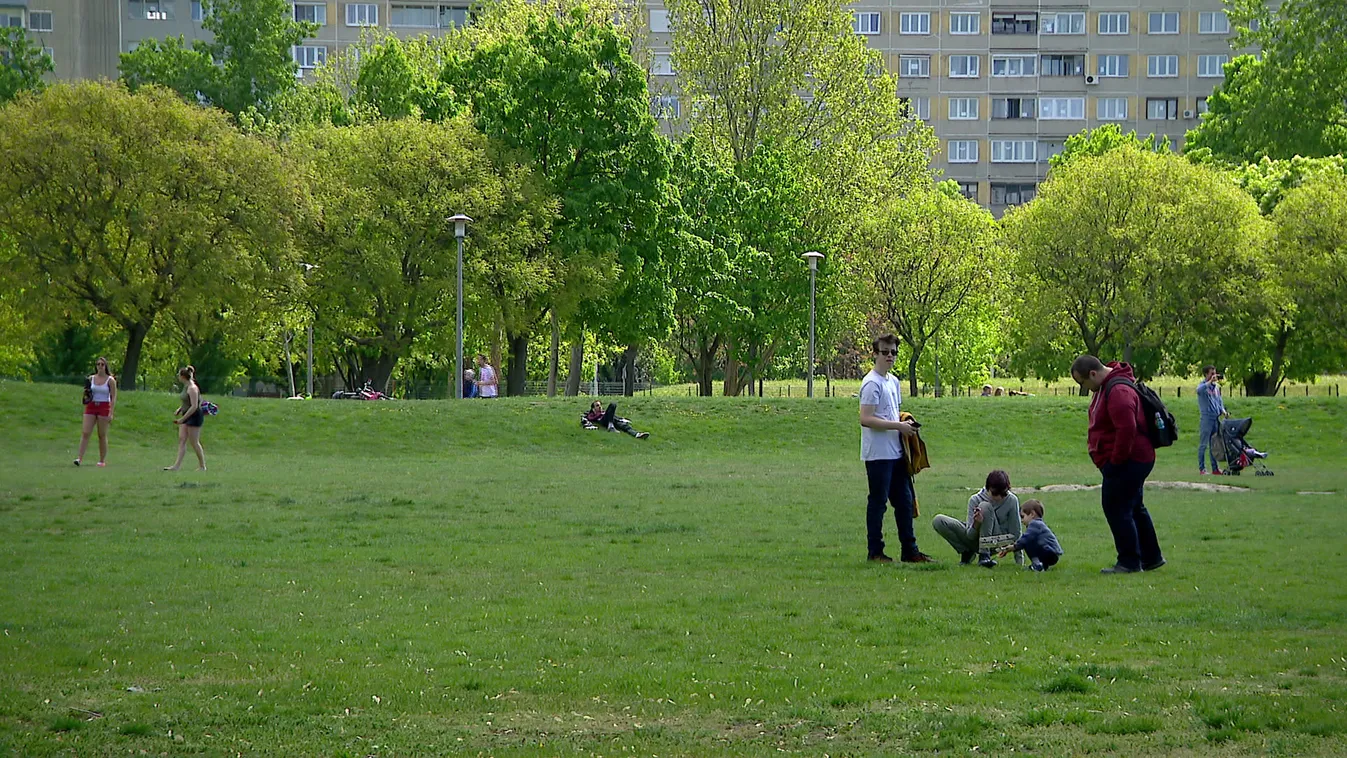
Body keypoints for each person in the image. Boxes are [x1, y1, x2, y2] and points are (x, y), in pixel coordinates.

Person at [1070, 355, 1165, 574]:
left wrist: (1115, 462)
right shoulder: (1108, 386)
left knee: (1116, 507)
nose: (1084, 388)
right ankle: (1152, 557)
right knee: (1134, 507)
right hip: (1134, 459)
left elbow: (1127, 430)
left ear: (1093, 374)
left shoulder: (1118, 391)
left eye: (1083, 383)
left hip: (1130, 460)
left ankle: (1129, 562)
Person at [859, 333, 935, 564]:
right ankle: (875, 552)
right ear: (875, 354)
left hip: (896, 452)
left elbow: (891, 413)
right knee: (878, 503)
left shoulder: (893, 381)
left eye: (893, 352)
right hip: (878, 454)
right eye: (885, 352)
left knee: (905, 502)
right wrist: (898, 426)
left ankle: (910, 551)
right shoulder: (871, 383)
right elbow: (865, 418)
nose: (890, 356)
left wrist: (905, 422)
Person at [931, 470, 1022, 567]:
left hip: (996, 542)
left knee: (985, 507)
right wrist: (976, 524)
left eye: (1003, 494)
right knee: (939, 521)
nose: (999, 497)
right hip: (976, 540)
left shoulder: (1012, 500)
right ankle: (966, 552)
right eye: (995, 493)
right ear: (987, 488)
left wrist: (1019, 560)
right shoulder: (975, 499)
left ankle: (984, 555)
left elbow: (1016, 534)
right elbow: (970, 535)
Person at [997, 499, 1063, 572]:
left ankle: (1037, 565)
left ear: (1032, 514)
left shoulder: (1035, 524)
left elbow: (1025, 539)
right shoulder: (1039, 524)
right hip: (1051, 553)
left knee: (1027, 542)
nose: (1021, 520)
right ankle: (1042, 566)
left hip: (1049, 553)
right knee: (1029, 542)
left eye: (1022, 516)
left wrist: (1013, 547)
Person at [75, 357, 117, 467]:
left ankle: (102, 460)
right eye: (98, 364)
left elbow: (113, 397)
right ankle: (79, 458)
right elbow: (87, 392)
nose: (100, 366)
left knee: (101, 434)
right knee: (85, 432)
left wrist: (111, 413)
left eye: (102, 364)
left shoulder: (110, 380)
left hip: (104, 406)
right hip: (91, 406)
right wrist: (86, 395)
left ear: (105, 366)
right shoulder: (91, 378)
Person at [165, 365, 207, 471]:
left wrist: (183, 419)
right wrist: (180, 409)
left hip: (194, 416)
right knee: (182, 439)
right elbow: (186, 401)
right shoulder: (186, 386)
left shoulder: (192, 388)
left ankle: (202, 466)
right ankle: (176, 466)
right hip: (186, 414)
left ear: (183, 377)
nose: (178, 377)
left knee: (194, 442)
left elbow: (194, 406)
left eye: (179, 375)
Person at [1196, 365, 1229, 475]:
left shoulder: (1216, 388)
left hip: (1216, 418)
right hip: (1206, 419)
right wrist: (1209, 382)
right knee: (1203, 444)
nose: (1214, 376)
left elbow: (1219, 402)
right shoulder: (1203, 386)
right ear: (1206, 374)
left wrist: (1223, 411)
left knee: (1214, 445)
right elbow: (1198, 391)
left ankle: (1215, 469)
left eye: (1215, 373)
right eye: (1211, 373)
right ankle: (1202, 469)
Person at [582, 400, 649, 439]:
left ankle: (637, 434)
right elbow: (588, 418)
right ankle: (610, 426)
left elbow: (613, 416)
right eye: (597, 405)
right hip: (604, 420)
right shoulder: (591, 415)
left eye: (600, 405)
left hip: (614, 421)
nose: (599, 407)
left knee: (625, 426)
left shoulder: (604, 412)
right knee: (612, 404)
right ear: (593, 408)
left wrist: (622, 419)